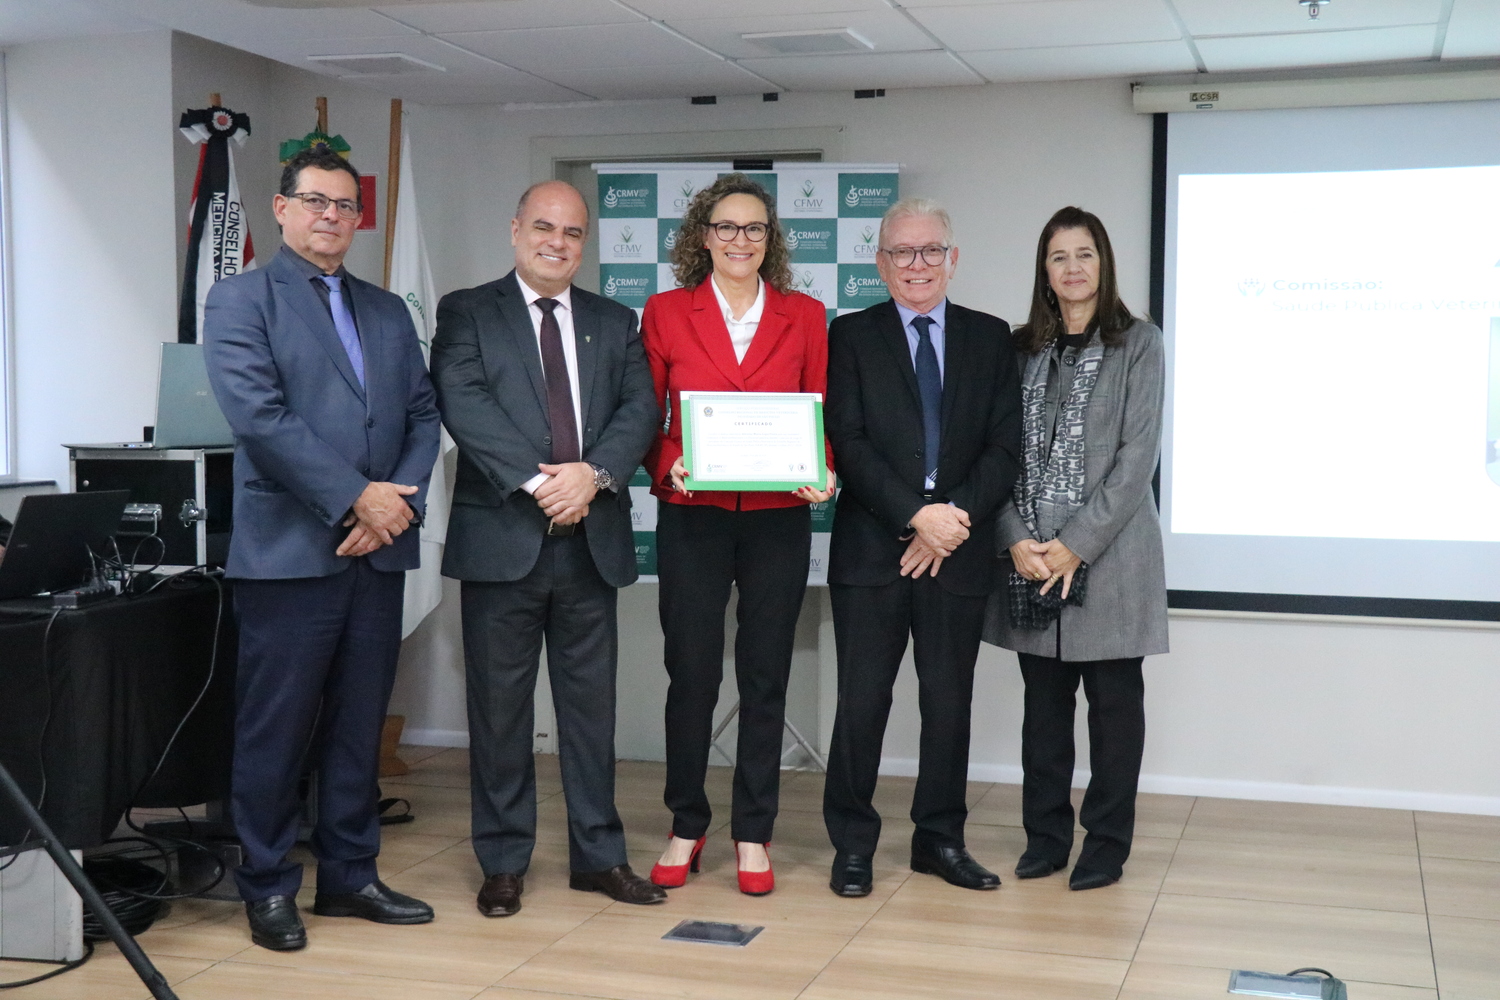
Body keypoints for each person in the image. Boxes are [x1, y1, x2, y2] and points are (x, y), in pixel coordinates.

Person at [203, 148, 442, 951]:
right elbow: (260, 419)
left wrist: (393, 504)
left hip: (375, 553)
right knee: (276, 732)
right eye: (316, 202)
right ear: (281, 208)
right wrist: (356, 497)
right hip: (289, 555)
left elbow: (421, 414)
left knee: (355, 724)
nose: (332, 216)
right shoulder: (240, 300)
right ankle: (268, 885)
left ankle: (351, 875)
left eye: (346, 205)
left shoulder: (384, 309)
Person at [430, 180, 663, 919]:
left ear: (584, 242)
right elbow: (463, 402)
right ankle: (502, 862)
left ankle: (599, 857)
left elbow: (640, 410)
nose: (556, 242)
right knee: (499, 714)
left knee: (590, 712)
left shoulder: (614, 319)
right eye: (542, 227)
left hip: (589, 544)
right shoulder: (468, 311)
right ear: (515, 230)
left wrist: (593, 477)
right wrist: (541, 483)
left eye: (571, 232)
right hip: (504, 543)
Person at [821, 198, 1022, 897]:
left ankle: (939, 840)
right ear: (880, 263)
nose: (916, 264)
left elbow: (1006, 447)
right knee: (862, 703)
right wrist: (915, 518)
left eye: (930, 250)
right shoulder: (848, 336)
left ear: (953, 258)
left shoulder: (993, 337)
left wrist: (949, 520)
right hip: (873, 552)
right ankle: (852, 845)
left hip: (957, 552)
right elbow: (848, 442)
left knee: (948, 703)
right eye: (901, 252)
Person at [640, 174, 834, 897]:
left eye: (754, 229)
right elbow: (647, 417)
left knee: (765, 675)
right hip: (694, 516)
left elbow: (820, 410)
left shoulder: (806, 315)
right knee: (691, 675)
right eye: (726, 228)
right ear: (703, 236)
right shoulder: (663, 312)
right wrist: (672, 466)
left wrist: (826, 471)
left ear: (771, 240)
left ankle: (753, 833)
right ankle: (686, 824)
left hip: (778, 519)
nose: (740, 241)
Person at [982, 206, 1167, 891]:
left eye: (1084, 254)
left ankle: (1105, 847)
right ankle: (1046, 839)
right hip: (1028, 556)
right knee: (1043, 712)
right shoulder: (1019, 346)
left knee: (1115, 715)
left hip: (1111, 558)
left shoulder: (1138, 343)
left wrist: (1074, 546)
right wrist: (1016, 541)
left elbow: (1136, 457)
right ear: (1045, 270)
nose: (1073, 268)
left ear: (1104, 261)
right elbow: (994, 450)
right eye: (1059, 257)